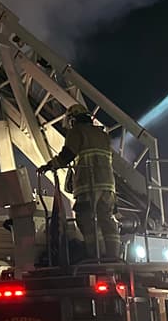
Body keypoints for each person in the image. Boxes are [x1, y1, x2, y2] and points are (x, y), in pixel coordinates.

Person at [40, 105, 120, 261]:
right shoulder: (102, 135)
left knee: (86, 219)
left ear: (73, 119)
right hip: (108, 186)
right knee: (107, 220)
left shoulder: (77, 132)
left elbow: (67, 155)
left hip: (88, 185)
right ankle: (113, 255)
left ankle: (95, 254)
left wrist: (50, 165)